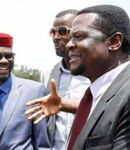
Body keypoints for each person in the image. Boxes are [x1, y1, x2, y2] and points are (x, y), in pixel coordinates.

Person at [26, 5, 130, 149]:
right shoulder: (95, 95)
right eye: (70, 37)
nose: (69, 44)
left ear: (114, 42)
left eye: (79, 37)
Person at [45, 9, 90, 150]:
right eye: (53, 32)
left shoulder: (94, 71)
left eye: (62, 31)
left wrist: (64, 105)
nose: (56, 37)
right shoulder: (48, 74)